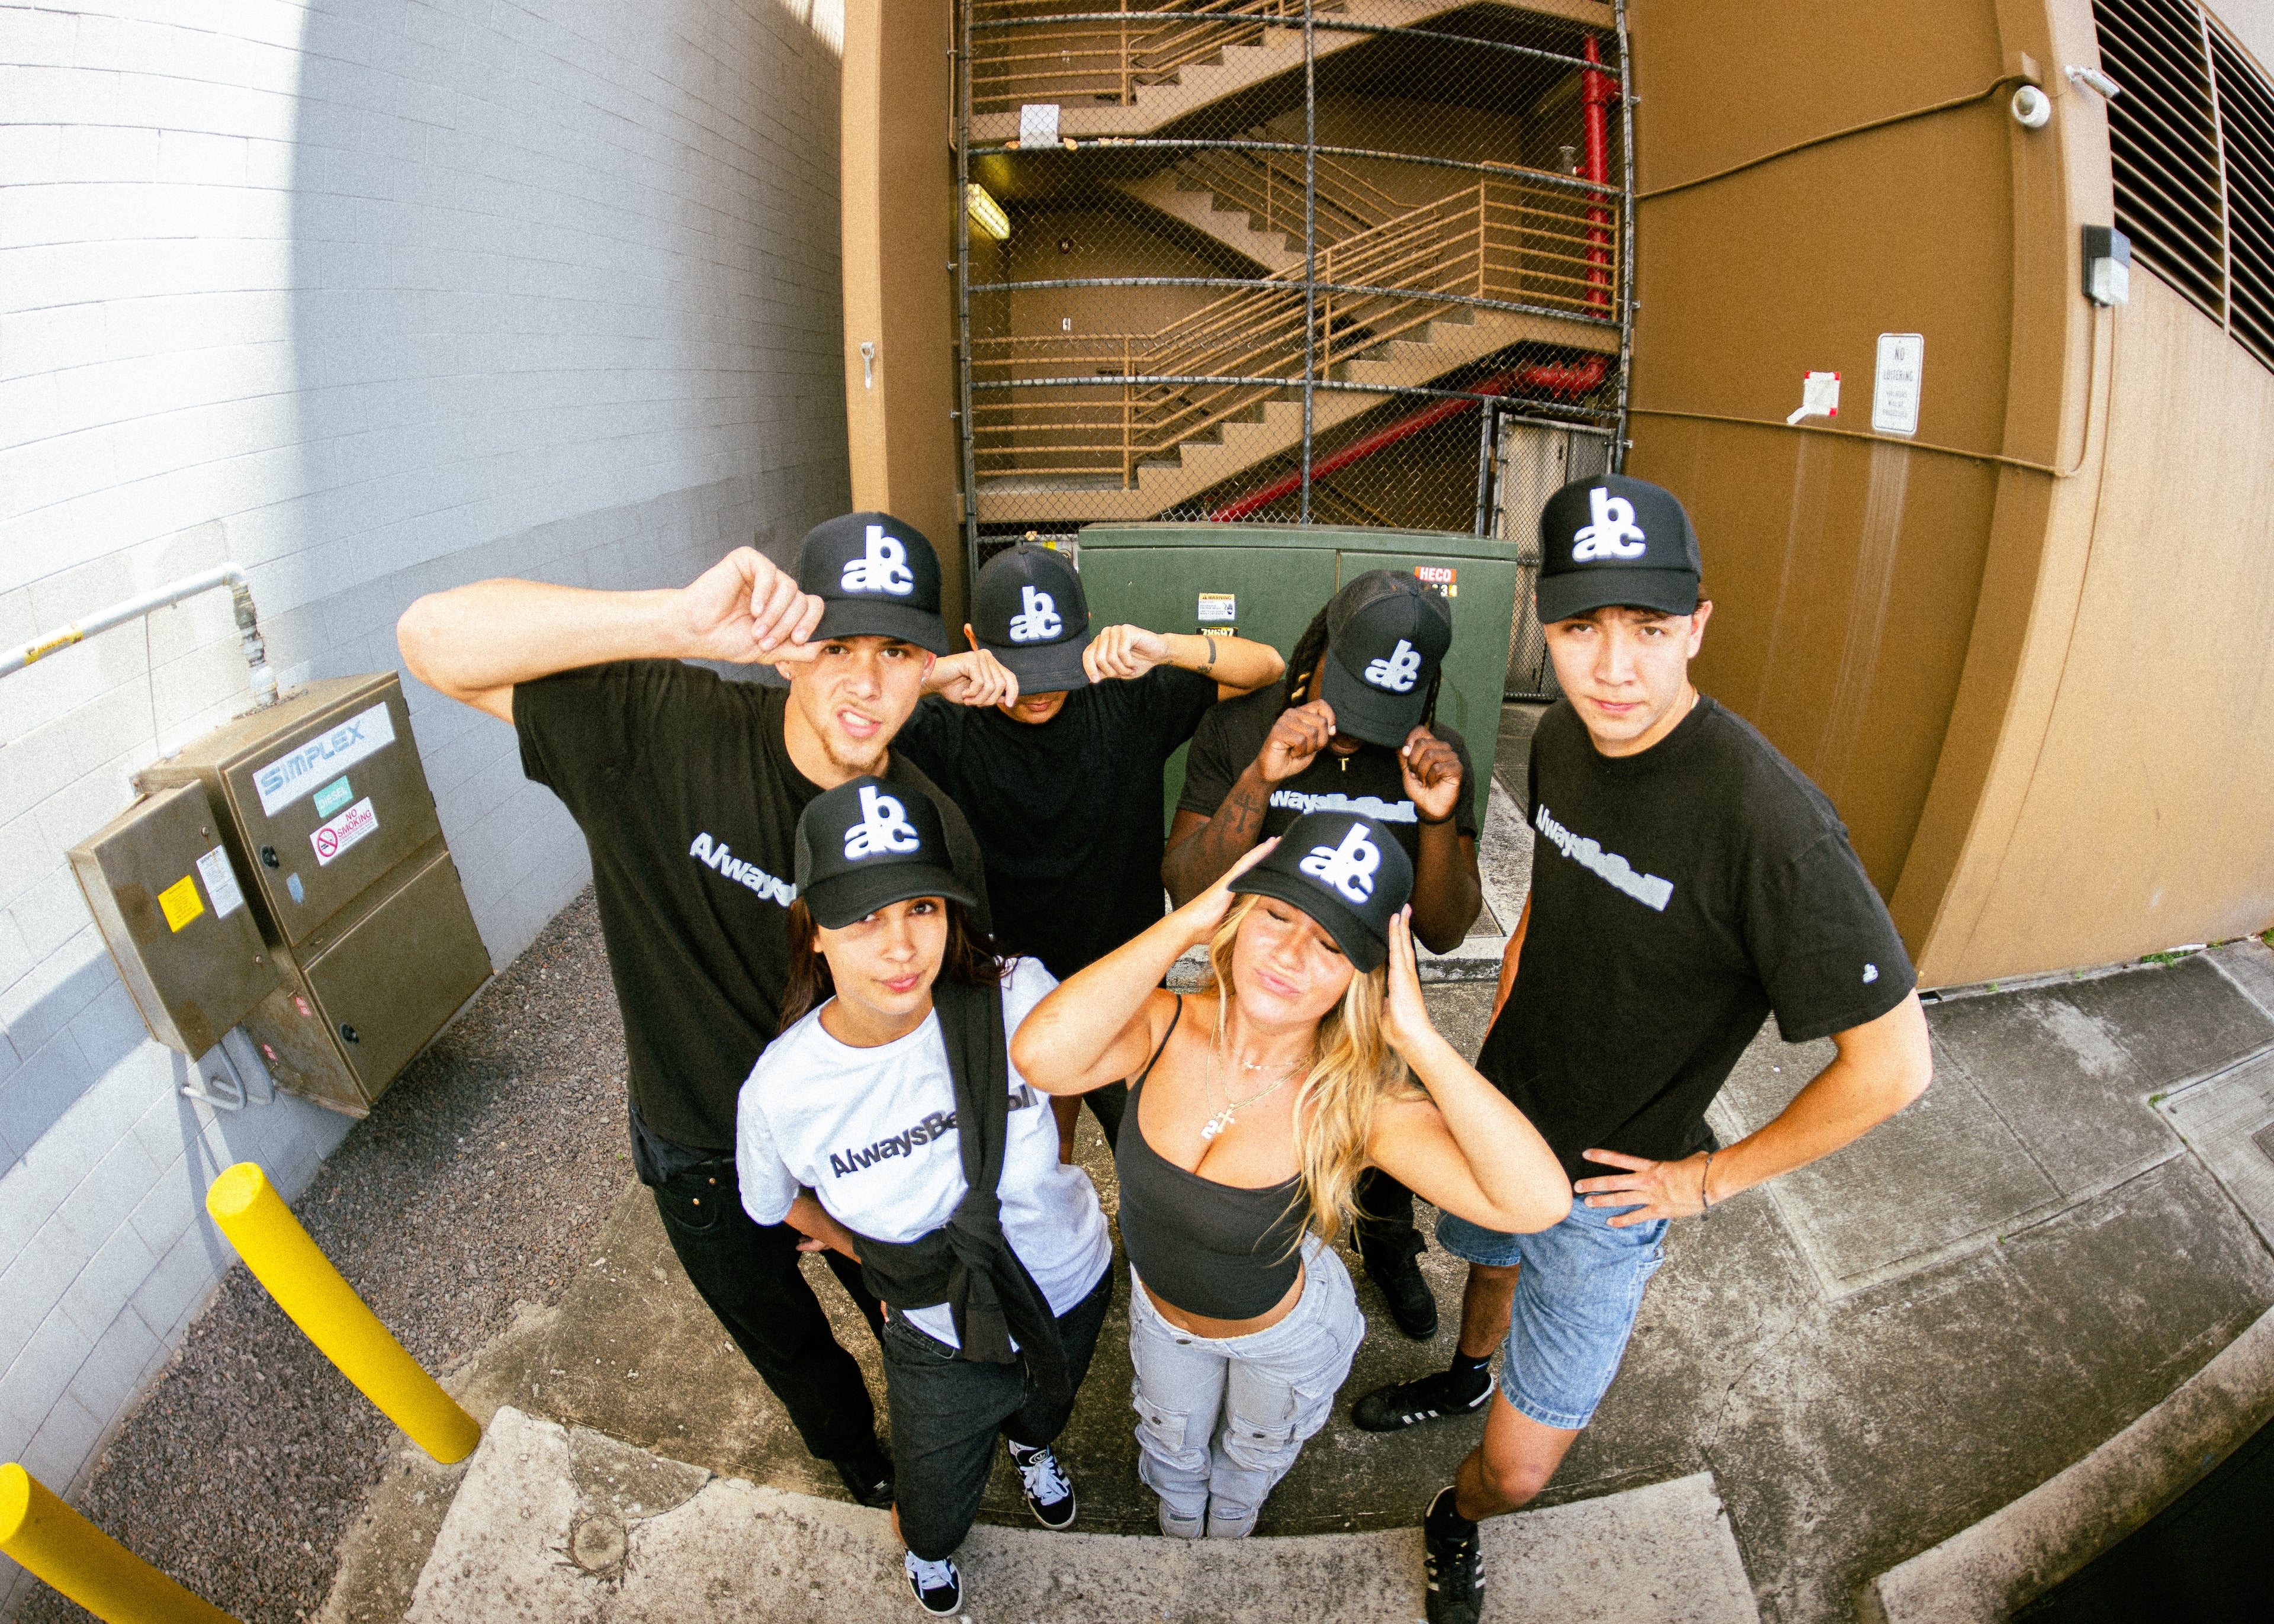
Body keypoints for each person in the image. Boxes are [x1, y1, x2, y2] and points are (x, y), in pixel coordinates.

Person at [1343, 475, 1934, 1624]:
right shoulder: (1562, 743)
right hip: (1506, 1102)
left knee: (1517, 1471)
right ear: (1547, 631)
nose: (1612, 669)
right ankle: (1468, 1373)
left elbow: (1895, 1065)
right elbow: (1546, 915)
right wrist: (1479, 1063)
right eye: (1579, 630)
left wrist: (1708, 1178)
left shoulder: (1772, 826)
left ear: (1698, 625)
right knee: (1486, 1258)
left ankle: (1454, 1516)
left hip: (1615, 1190)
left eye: (1649, 631)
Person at [397, 512, 991, 1513]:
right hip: (703, 1147)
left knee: (916, 1316)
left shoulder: (934, 823)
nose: (864, 682)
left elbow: (950, 1009)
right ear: (787, 647)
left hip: (855, 1143)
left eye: (896, 652)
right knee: (788, 1341)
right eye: (836, 645)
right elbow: (429, 640)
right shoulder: (664, 729)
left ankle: (948, 1438)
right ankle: (855, 1452)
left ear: (929, 662)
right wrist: (676, 620)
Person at [1013, 813, 1569, 1541]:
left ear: (1362, 978)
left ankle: (1233, 1532)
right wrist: (1182, 926)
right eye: (1277, 914)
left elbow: (1535, 1201)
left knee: (1253, 1456)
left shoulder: (1359, 1098)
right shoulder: (1164, 1023)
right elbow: (1041, 1056)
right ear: (1238, 916)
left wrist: (1421, 1042)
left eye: (1333, 944)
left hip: (1281, 1336)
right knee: (1171, 1447)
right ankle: (1185, 1541)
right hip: (1163, 1322)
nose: (1290, 954)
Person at [737, 777, 1113, 1617]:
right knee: (934, 1497)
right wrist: (858, 1246)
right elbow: (773, 1202)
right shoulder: (785, 1089)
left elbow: (1067, 1078)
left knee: (1046, 1407)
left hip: (1071, 1279)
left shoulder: (1016, 990)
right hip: (940, 1331)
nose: (902, 945)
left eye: (922, 908)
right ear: (815, 932)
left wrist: (1049, 1153)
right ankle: (936, 1549)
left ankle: (1031, 1445)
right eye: (865, 917)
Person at [1162, 570, 1482, 1340]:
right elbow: (1185, 885)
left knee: (1379, 1155)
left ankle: (1389, 1248)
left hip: (1366, 1002)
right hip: (1255, 995)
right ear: (1314, 663)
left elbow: (1446, 929)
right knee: (1246, 1163)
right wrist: (1261, 776)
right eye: (1346, 702)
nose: (1354, 732)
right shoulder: (1245, 730)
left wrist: (1436, 819)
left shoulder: (1434, 755)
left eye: (1381, 711)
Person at [896, 541, 1284, 1155]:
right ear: (974, 641)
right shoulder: (946, 728)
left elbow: (1266, 666)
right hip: (1006, 984)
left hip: (1123, 977)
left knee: (1158, 1150)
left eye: (1056, 665)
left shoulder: (1129, 697)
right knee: (1036, 1156)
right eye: (1021, 670)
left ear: (1084, 634)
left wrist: (1164, 646)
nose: (1039, 691)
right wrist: (929, 677)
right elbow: (835, 738)